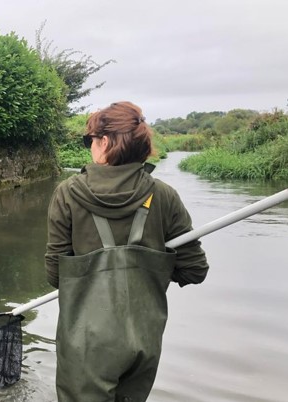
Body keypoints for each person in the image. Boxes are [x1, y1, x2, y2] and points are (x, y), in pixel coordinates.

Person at [45, 101, 209, 402]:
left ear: (104, 142)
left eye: (89, 140)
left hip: (85, 345)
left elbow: (56, 275)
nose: (89, 146)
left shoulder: (67, 194)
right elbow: (194, 271)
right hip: (143, 342)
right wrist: (149, 262)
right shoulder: (164, 195)